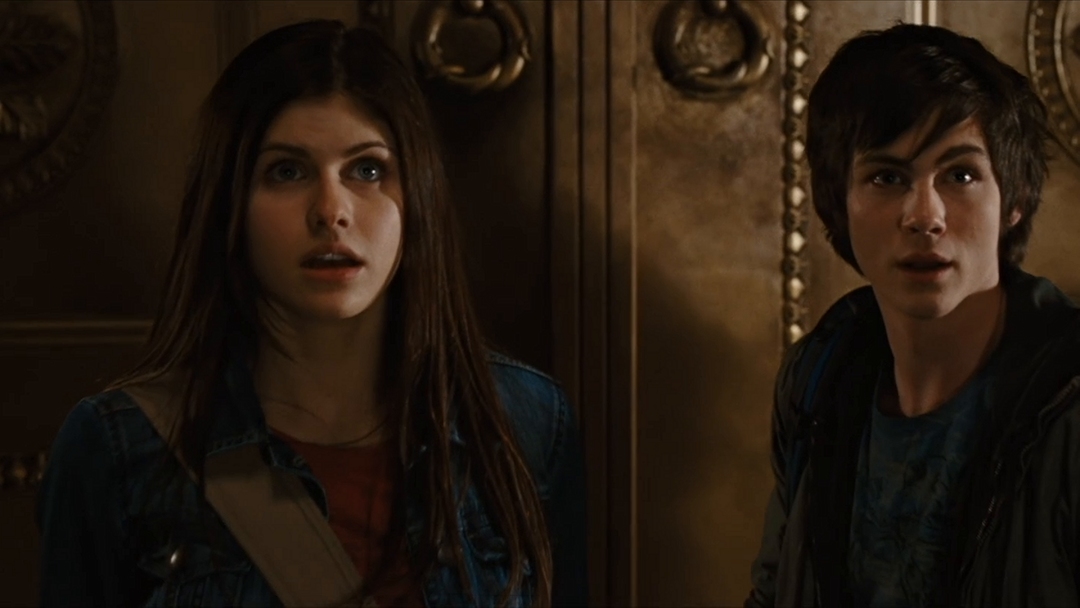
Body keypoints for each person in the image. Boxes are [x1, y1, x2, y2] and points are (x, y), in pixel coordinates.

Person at [37, 20, 586, 607]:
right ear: (229, 203)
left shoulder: (524, 423)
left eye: (368, 170)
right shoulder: (120, 449)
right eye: (287, 171)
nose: (331, 210)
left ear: (419, 194)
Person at [746, 23, 1079, 607]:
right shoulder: (818, 379)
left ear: (1015, 200)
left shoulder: (1067, 405)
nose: (924, 216)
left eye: (961, 175)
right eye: (887, 177)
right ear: (839, 203)